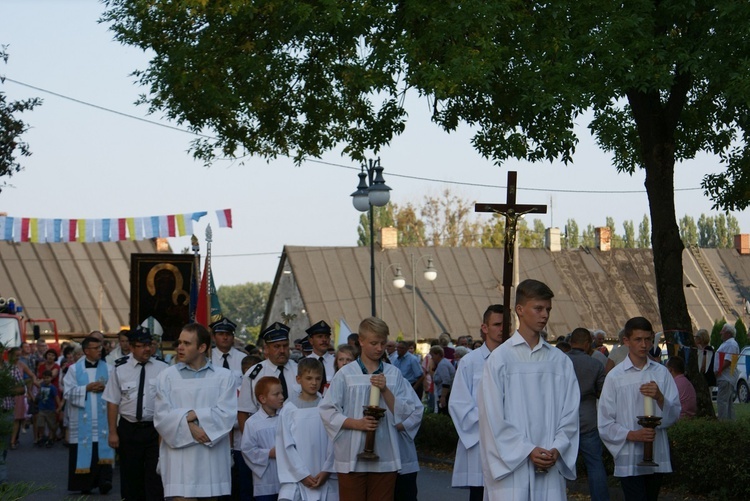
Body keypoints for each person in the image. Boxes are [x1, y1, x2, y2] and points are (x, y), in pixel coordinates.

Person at [478, 279, 580, 500]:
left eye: (548, 309)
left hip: (550, 462)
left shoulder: (559, 361)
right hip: (512, 469)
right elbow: (492, 418)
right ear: (520, 310)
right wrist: (527, 450)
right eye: (538, 308)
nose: (545, 315)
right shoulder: (500, 359)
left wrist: (558, 447)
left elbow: (570, 414)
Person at [320, 317, 418, 501]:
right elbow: (327, 410)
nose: (379, 348)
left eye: (383, 343)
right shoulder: (346, 374)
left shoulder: (393, 373)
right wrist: (357, 423)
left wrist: (385, 390)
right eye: (374, 343)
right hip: (351, 453)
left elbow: (406, 413)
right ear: (361, 341)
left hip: (385, 452)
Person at [598, 316, 680, 501]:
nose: (644, 345)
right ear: (626, 341)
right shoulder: (615, 377)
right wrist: (631, 435)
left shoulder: (661, 373)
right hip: (628, 454)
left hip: (656, 451)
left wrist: (660, 397)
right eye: (638, 339)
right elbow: (604, 421)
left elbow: (674, 414)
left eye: (647, 339)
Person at [154, 322, 237, 499]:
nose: (180, 348)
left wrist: (193, 415)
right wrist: (191, 427)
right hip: (179, 458)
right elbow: (162, 416)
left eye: (187, 343)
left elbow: (227, 414)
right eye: (179, 343)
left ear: (202, 347)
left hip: (211, 457)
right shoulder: (166, 377)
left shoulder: (223, 377)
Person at [103, 326, 169, 501]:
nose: (147, 349)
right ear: (131, 348)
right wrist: (112, 432)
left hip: (155, 430)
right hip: (129, 428)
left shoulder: (163, 369)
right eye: (141, 345)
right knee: (131, 476)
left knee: (155, 476)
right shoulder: (120, 369)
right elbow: (112, 402)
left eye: (148, 344)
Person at [449, 304, 503, 501]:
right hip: (482, 440)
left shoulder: (516, 360)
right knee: (480, 494)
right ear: (485, 327)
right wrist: (490, 421)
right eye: (497, 324)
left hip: (511, 442)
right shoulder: (470, 362)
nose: (502, 329)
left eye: (506, 324)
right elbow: (459, 403)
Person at [276, 358, 338, 501]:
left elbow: (334, 441)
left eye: (317, 378)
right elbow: (285, 446)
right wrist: (301, 475)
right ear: (299, 379)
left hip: (324, 475)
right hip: (297, 477)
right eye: (308, 378)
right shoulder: (289, 409)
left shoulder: (327, 406)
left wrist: (327, 470)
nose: (314, 383)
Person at [63, 335, 114, 495]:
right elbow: (68, 393)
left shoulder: (109, 368)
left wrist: (105, 388)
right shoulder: (74, 369)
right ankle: (85, 484)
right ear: (86, 351)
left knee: (102, 449)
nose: (100, 351)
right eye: (96, 348)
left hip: (103, 420)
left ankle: (104, 481)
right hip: (82, 421)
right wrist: (86, 388)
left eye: (101, 348)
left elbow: (116, 392)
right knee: (85, 450)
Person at [208, 316, 249, 500]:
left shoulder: (243, 359)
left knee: (238, 477)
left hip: (238, 424)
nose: (224, 338)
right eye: (220, 334)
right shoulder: (206, 359)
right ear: (214, 336)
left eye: (228, 334)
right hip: (213, 422)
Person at [567, 327, 609, 501]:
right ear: (587, 343)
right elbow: (603, 394)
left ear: (571, 342)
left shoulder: (561, 361)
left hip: (564, 420)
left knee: (561, 465)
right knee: (595, 465)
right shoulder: (596, 364)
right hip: (588, 420)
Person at [238, 322, 300, 432]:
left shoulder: (299, 370)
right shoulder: (254, 374)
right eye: (276, 346)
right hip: (265, 435)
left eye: (285, 345)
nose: (282, 350)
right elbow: (244, 411)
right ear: (266, 348)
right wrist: (248, 444)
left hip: (297, 431)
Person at [242, 376, 284, 501]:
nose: (281, 397)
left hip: (287, 479)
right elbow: (247, 450)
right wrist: (269, 453)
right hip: (266, 481)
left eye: (282, 393)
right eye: (276, 394)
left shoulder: (286, 416)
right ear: (263, 398)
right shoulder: (253, 423)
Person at [714, 323, 740, 420]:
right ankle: (730, 423)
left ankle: (723, 422)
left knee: (722, 401)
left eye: (723, 331)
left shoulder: (731, 344)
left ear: (728, 333)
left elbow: (728, 361)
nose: (721, 333)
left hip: (726, 377)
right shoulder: (727, 343)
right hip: (724, 377)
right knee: (727, 403)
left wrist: (718, 371)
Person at [306, 320, 336, 393]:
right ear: (311, 341)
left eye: (327, 337)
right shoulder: (305, 362)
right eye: (320, 337)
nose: (324, 340)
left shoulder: (336, 362)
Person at [34, 370, 61, 447]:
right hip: (41, 408)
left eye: (48, 378)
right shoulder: (42, 386)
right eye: (45, 378)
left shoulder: (53, 388)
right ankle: (42, 436)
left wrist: (59, 407)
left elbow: (56, 397)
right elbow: (39, 393)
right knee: (40, 424)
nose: (46, 379)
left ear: (51, 378)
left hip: (50, 409)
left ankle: (51, 438)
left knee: (51, 425)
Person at [430, 345, 455, 415]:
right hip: (444, 393)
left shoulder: (442, 365)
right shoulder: (443, 363)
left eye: (433, 355)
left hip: (445, 394)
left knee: (444, 413)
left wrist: (443, 397)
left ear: (438, 354)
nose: (432, 358)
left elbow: (446, 381)